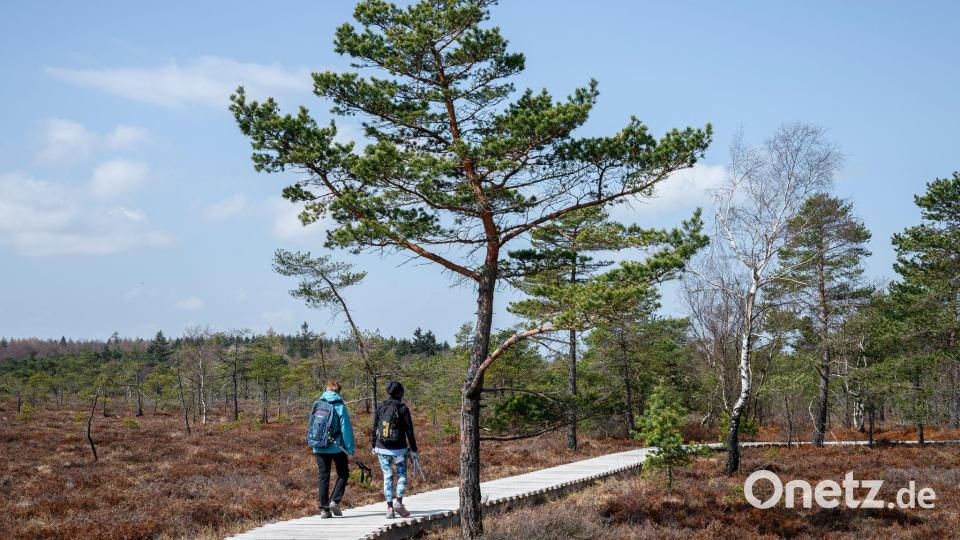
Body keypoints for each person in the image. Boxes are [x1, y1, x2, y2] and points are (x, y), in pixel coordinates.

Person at [372, 380, 418, 519]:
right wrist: (414, 449)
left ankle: (389, 508)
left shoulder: (381, 406)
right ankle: (399, 502)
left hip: (382, 448)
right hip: (399, 450)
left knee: (387, 476)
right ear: (401, 393)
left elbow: (375, 428)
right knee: (402, 475)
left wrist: (373, 445)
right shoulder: (403, 408)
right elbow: (409, 431)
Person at [312, 379, 354, 519]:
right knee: (343, 474)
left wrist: (314, 444)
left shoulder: (317, 403)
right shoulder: (340, 405)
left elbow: (312, 426)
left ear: (326, 389)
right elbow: (346, 429)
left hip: (319, 447)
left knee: (323, 477)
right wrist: (350, 450)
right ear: (338, 391)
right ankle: (334, 501)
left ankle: (324, 510)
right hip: (337, 447)